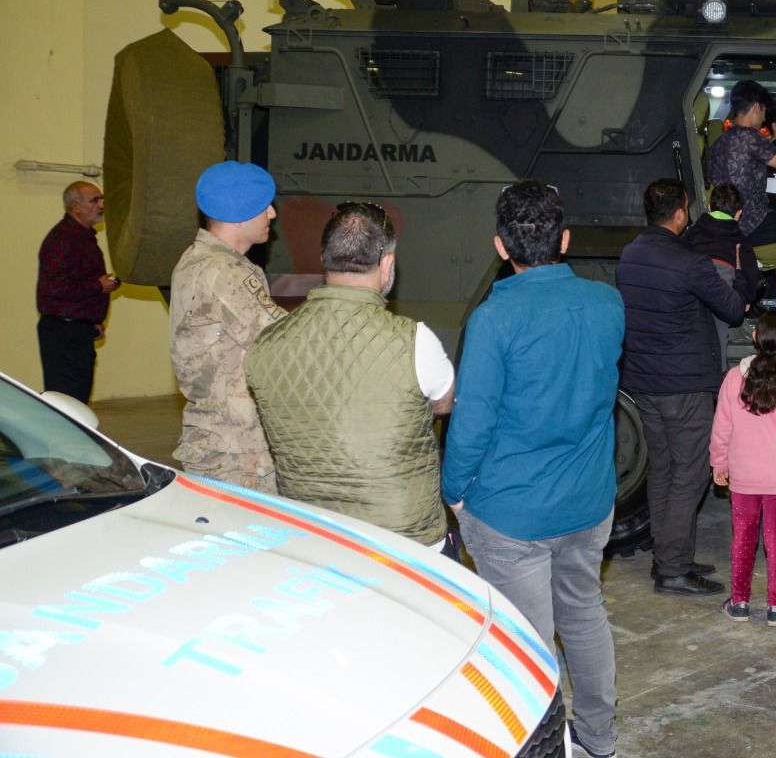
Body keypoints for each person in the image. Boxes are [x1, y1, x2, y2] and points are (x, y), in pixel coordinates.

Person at [441, 181, 623, 758]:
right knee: (585, 615)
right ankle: (599, 739)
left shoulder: (495, 319)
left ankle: (540, 746)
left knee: (528, 641)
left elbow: (472, 421)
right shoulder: (608, 305)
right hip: (588, 501)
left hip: (512, 512)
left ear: (500, 246)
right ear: (564, 239)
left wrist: (454, 491)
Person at [246, 202, 455, 547]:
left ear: (325, 260)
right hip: (406, 544)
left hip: (312, 537)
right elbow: (443, 404)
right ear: (387, 264)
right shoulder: (416, 340)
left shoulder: (265, 345)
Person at [616, 178, 752, 596]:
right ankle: (673, 569)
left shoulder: (629, 255)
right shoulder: (689, 262)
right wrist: (741, 276)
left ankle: (669, 556)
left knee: (663, 471)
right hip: (684, 386)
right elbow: (732, 309)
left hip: (643, 383)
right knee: (691, 474)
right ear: (680, 213)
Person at [169, 161, 285, 492]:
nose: (272, 214)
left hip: (215, 439)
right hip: (238, 453)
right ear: (239, 215)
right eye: (264, 206)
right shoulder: (226, 272)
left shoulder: (194, 260)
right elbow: (284, 340)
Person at [709, 311, 776, 627]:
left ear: (754, 336)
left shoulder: (733, 378)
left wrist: (719, 462)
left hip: (743, 475)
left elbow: (721, 427)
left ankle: (739, 603)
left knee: (743, 538)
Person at [36, 181, 117, 403]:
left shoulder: (82, 237)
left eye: (101, 199)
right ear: (75, 207)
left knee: (77, 398)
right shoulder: (63, 239)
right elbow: (53, 288)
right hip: (64, 335)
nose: (101, 205)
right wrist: (99, 286)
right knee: (67, 402)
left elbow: (76, 280)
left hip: (77, 330)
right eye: (94, 200)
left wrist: (92, 321)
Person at [706, 79, 776, 247]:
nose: (765, 118)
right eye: (764, 111)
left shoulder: (717, 143)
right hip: (754, 224)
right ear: (757, 107)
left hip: (730, 227)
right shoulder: (750, 136)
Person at [683, 183, 762, 310]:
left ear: (709, 207)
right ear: (738, 214)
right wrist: (748, 299)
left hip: (691, 292)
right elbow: (750, 272)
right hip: (725, 297)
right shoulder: (741, 241)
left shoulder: (692, 232)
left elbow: (680, 253)